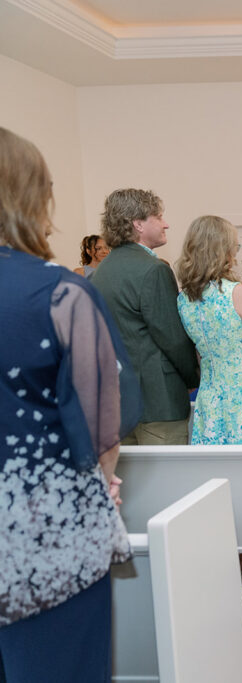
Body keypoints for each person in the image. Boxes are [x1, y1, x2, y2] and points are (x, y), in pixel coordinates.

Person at [0, 126, 141, 681]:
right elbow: (103, 430)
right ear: (33, 199)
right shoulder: (61, 295)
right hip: (43, 530)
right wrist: (103, 479)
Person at [91, 188, 199, 445]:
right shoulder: (153, 270)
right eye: (158, 217)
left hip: (120, 402)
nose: (166, 224)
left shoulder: (101, 271)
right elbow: (172, 339)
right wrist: (193, 377)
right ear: (138, 224)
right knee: (169, 482)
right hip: (159, 401)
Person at [175, 215, 242, 445]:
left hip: (211, 397)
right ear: (223, 250)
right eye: (235, 246)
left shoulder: (184, 298)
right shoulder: (239, 293)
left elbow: (198, 351)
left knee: (219, 469)